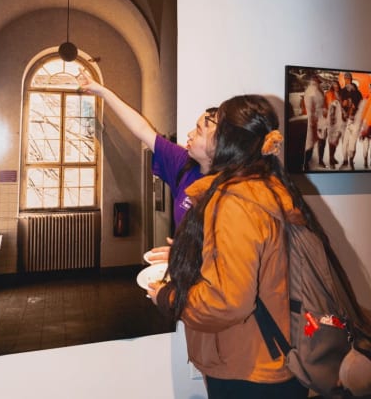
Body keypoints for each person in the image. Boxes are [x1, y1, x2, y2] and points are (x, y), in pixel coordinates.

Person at [150, 94, 313, 398]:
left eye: (215, 126)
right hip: (268, 359)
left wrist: (169, 296)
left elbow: (226, 301)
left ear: (228, 140)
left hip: (248, 369)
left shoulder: (235, 201)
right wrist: (185, 254)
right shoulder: (264, 187)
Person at [77, 73, 217, 262]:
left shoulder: (233, 190)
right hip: (182, 278)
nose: (190, 134)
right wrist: (102, 92)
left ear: (220, 144)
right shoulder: (184, 164)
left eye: (199, 131)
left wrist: (189, 256)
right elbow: (143, 129)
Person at [302, 75, 324, 170]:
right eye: (316, 80)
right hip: (313, 120)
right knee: (310, 142)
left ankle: (320, 160)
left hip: (320, 119)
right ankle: (306, 163)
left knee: (321, 140)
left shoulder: (319, 90)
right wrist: (311, 121)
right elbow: (310, 108)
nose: (318, 82)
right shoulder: (311, 91)